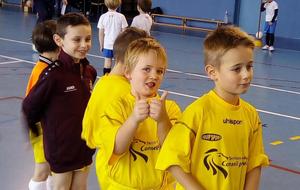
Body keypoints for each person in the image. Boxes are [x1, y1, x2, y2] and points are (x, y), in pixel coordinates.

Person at [156, 26, 270, 190]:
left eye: (249, 66)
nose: (246, 74)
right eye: (237, 68)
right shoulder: (198, 112)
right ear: (212, 72)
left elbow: (254, 164)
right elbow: (172, 159)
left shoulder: (250, 115)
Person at [22, 12, 97, 190]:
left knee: (80, 187)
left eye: (88, 39)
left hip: (83, 144)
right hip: (61, 149)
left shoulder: (89, 72)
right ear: (59, 40)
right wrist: (48, 132)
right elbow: (29, 107)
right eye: (76, 40)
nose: (84, 45)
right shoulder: (52, 75)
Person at [95, 38, 181, 189]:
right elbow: (117, 148)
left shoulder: (170, 108)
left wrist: (162, 120)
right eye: (147, 69)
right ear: (128, 72)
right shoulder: (116, 106)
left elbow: (171, 149)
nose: (154, 75)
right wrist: (134, 120)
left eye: (159, 71)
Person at [81, 27, 149, 189]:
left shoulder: (103, 83)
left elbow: (88, 128)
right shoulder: (127, 92)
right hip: (123, 174)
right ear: (131, 61)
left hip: (106, 165)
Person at [26, 20, 60, 190]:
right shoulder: (43, 71)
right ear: (58, 42)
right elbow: (32, 106)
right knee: (42, 169)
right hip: (40, 129)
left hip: (50, 128)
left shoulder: (51, 67)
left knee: (54, 169)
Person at [98, 0, 128, 75]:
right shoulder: (121, 17)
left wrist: (101, 44)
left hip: (107, 45)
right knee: (118, 63)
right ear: (118, 4)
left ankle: (106, 78)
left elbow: (101, 33)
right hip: (118, 45)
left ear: (106, 4)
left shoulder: (103, 17)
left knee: (107, 62)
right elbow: (125, 32)